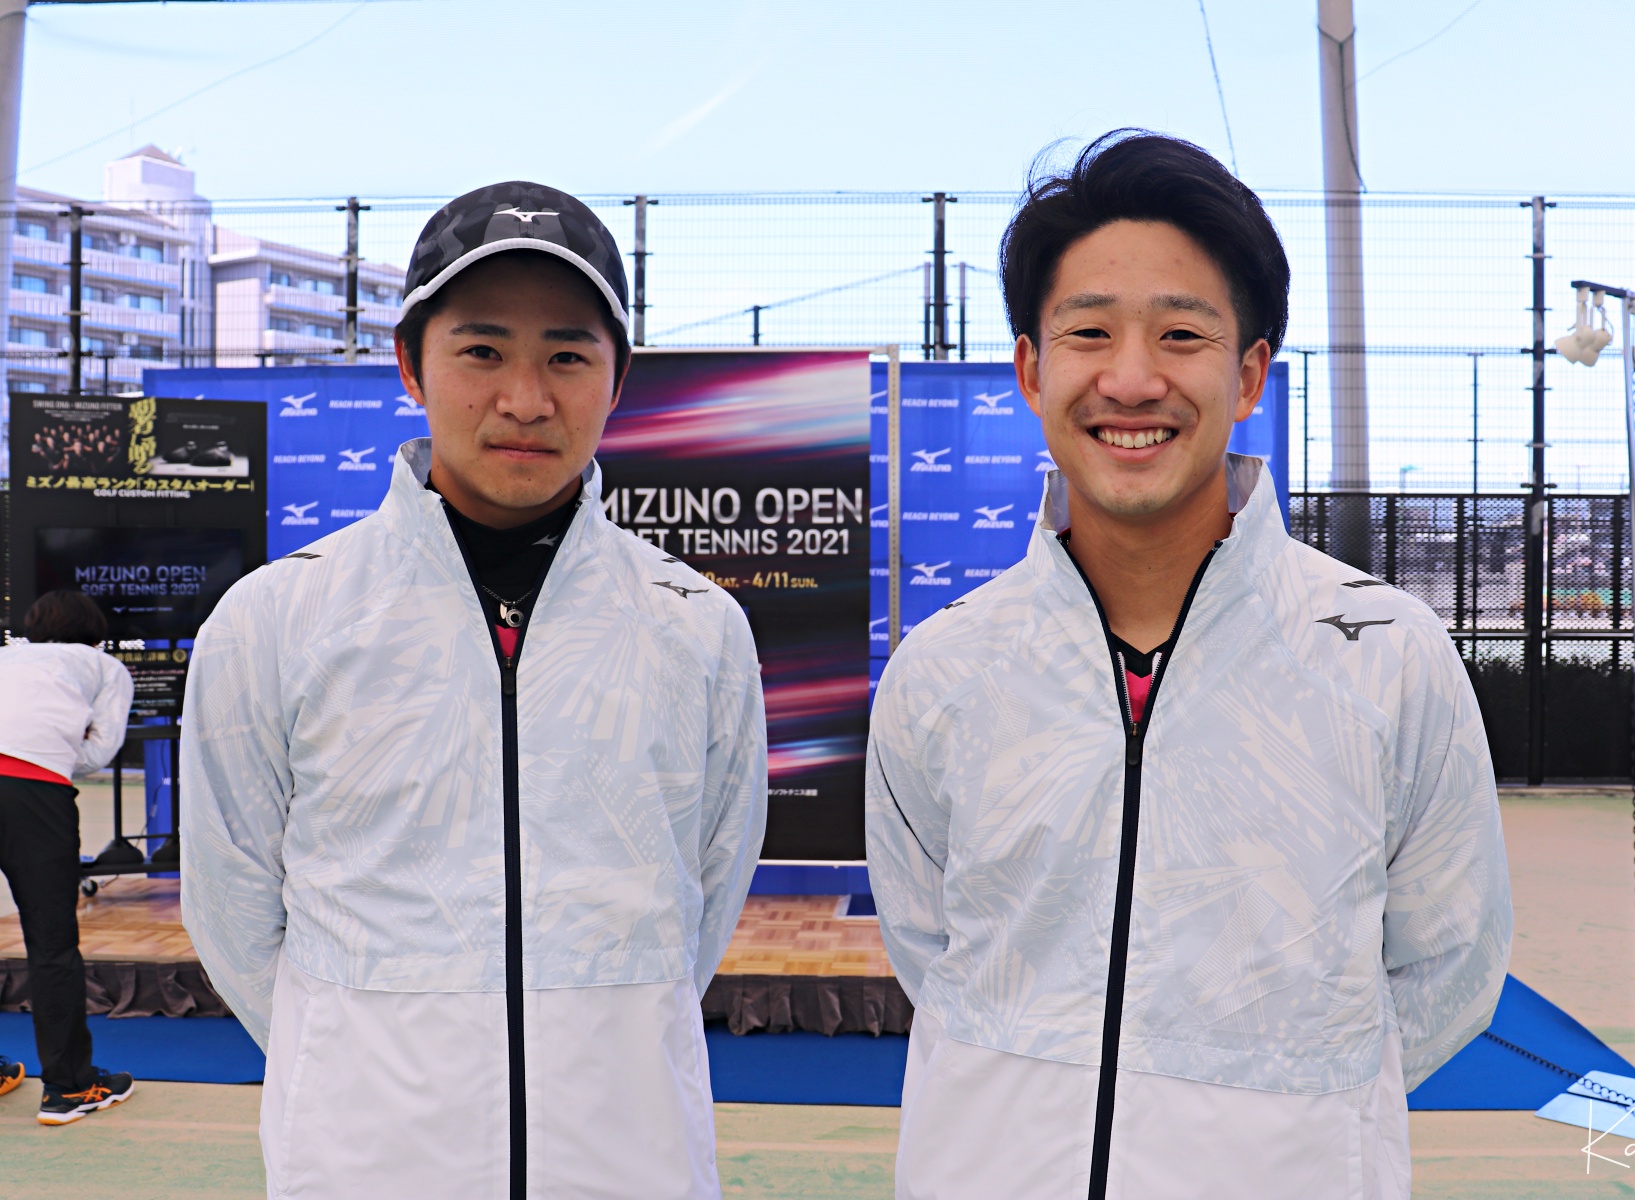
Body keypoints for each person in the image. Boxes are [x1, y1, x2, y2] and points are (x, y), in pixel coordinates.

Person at [865, 132, 1512, 1199]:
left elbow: (1449, 966)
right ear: (1031, 370)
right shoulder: (946, 669)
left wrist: (1286, 1124)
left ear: (1248, 373)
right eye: (1089, 332)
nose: (1131, 379)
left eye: (1180, 334)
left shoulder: (1386, 656)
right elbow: (930, 945)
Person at [182, 182, 767, 1199]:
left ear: (617, 379)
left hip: (625, 1161)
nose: (526, 400)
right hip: (367, 1166)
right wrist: (355, 1054)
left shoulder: (695, 628)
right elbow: (232, 907)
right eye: (483, 350)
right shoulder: (278, 619)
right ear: (411, 363)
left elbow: (703, 900)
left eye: (567, 356)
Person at [0, 589, 135, 1124]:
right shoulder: (104, 667)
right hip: (33, 794)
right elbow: (99, 752)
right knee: (51, 943)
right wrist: (50, 755)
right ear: (95, 633)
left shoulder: (6, 656)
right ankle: (69, 1088)